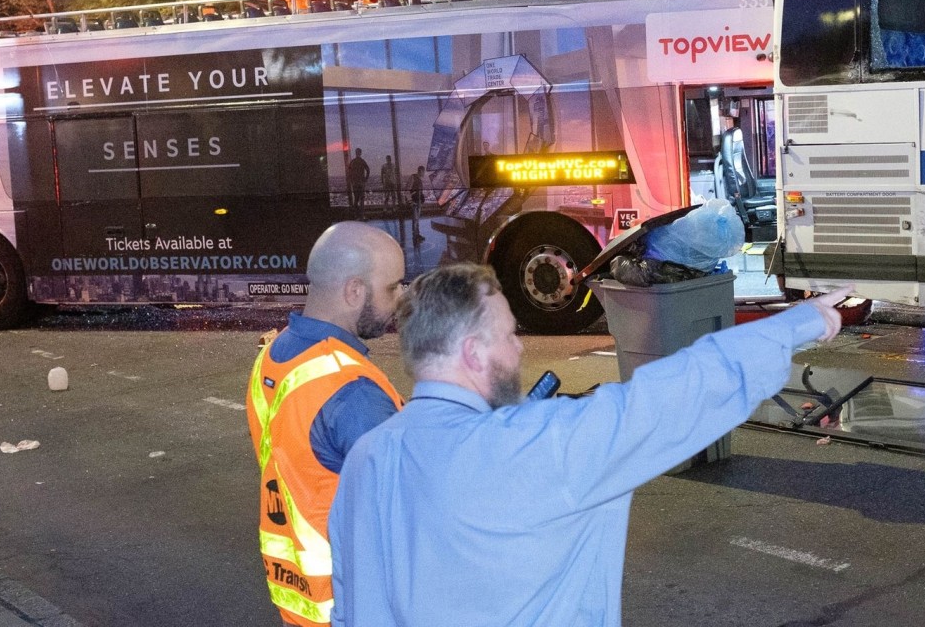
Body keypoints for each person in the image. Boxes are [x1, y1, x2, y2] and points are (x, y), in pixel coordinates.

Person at [329, 263, 847, 627]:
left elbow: (348, 608)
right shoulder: (538, 447)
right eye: (510, 334)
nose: (519, 346)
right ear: (473, 351)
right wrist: (803, 322)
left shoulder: (367, 458)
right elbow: (675, 394)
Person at [246, 222, 407, 627]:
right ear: (354, 291)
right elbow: (412, 506)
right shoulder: (351, 390)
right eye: (393, 287)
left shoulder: (276, 355)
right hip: (358, 603)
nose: (401, 298)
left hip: (300, 598)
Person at [346, 149, 370, 216]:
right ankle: (361, 215)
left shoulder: (352, 162)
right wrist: (366, 178)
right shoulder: (362, 161)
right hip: (361, 183)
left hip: (355, 183)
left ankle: (356, 214)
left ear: (356, 153)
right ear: (360, 153)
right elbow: (368, 170)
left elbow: (349, 172)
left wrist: (351, 180)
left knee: (356, 199)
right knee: (361, 199)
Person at [406, 165, 426, 243]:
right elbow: (407, 190)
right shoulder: (413, 178)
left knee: (416, 220)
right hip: (415, 202)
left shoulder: (419, 179)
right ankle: (415, 236)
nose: (424, 174)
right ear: (420, 171)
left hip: (418, 202)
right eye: (423, 172)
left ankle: (417, 235)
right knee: (415, 220)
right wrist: (410, 201)